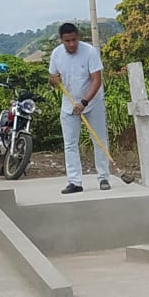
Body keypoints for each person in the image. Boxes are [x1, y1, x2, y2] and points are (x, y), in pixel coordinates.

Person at [48, 22, 109, 193]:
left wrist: (84, 102)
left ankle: (103, 177)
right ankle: (75, 182)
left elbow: (97, 79)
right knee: (70, 144)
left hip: (92, 103)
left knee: (99, 140)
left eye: (74, 40)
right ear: (61, 40)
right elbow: (52, 78)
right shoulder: (56, 54)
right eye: (67, 41)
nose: (71, 44)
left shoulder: (90, 51)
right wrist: (53, 80)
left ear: (78, 37)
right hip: (69, 105)